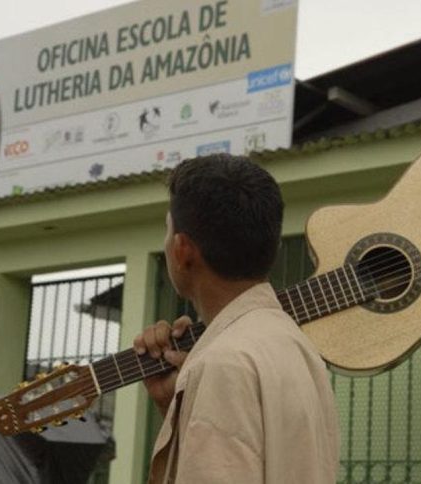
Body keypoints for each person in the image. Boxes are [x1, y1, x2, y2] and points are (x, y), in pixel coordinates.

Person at [133, 153, 339, 483]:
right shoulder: (300, 349)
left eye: (167, 230)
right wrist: (178, 405)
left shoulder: (222, 363)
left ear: (182, 251)